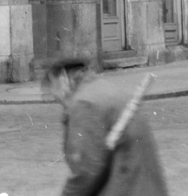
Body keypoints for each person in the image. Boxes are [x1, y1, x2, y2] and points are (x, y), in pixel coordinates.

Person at [46, 56, 169, 195]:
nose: (53, 94)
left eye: (53, 85)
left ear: (63, 78)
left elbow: (86, 172)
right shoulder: (100, 88)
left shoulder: (84, 103)